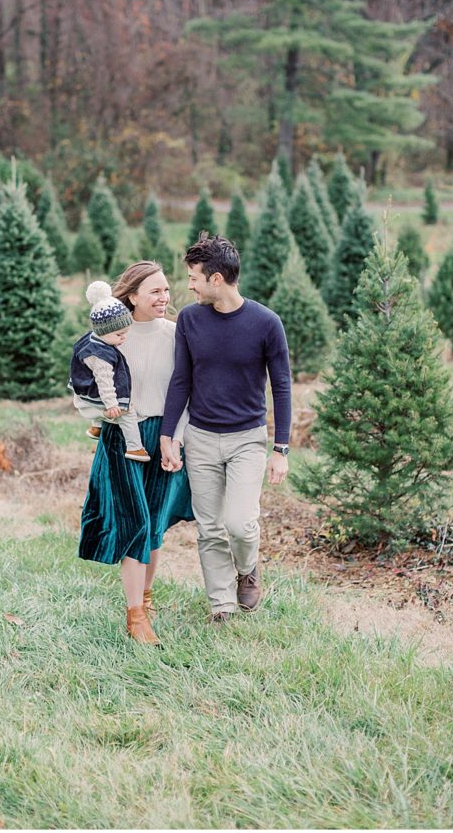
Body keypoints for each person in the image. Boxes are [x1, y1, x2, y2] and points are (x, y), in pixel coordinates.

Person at [160, 233, 291, 623]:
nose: (189, 285)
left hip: (247, 440)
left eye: (194, 277)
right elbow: (180, 380)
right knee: (210, 528)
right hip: (200, 437)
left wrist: (281, 448)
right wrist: (170, 435)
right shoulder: (189, 319)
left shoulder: (266, 323)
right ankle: (221, 604)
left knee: (239, 522)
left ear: (216, 279)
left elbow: (281, 385)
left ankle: (248, 568)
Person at [78, 261, 193, 646]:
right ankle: (135, 616)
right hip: (124, 439)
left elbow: (185, 391)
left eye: (166, 290)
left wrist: (174, 438)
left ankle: (146, 599)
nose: (164, 298)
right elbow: (87, 381)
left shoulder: (178, 335)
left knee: (156, 526)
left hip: (164, 435)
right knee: (136, 523)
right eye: (155, 292)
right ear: (131, 297)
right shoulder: (109, 337)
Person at [69, 280, 150, 462]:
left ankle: (96, 427)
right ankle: (135, 448)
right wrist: (113, 405)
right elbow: (105, 382)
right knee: (127, 412)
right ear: (103, 330)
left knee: (105, 408)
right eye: (119, 335)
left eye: (125, 333)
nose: (123, 338)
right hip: (100, 394)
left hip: (84, 388)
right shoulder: (101, 357)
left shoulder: (92, 339)